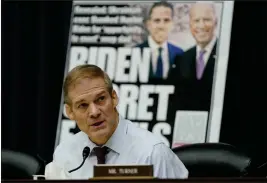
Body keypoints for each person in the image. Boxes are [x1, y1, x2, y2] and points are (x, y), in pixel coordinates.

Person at [45, 64, 188, 179]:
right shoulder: (65, 153)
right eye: (83, 105)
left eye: (100, 99)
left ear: (114, 98)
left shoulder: (152, 153)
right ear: (70, 112)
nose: (94, 112)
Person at [170, 2, 218, 111]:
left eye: (206, 20)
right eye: (196, 20)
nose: (201, 25)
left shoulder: (225, 54)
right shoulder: (182, 59)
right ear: (190, 25)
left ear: (216, 22)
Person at [137, 1, 183, 82]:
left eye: (166, 20)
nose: (161, 26)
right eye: (157, 20)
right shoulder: (135, 52)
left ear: (172, 24)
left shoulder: (180, 54)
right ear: (148, 24)